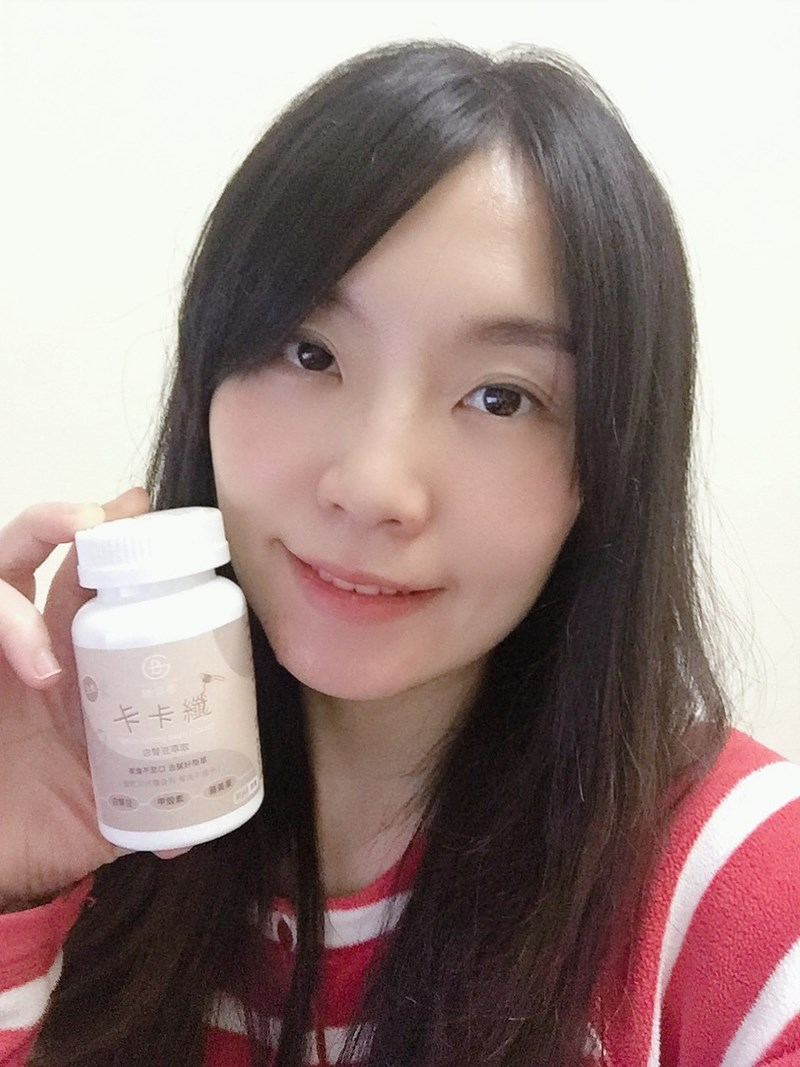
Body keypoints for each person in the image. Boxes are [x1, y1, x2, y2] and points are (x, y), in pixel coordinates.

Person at [0, 39, 798, 1067]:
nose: (373, 484)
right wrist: (14, 883)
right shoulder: (105, 830)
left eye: (500, 396)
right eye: (309, 352)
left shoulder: (742, 888)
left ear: (608, 467)